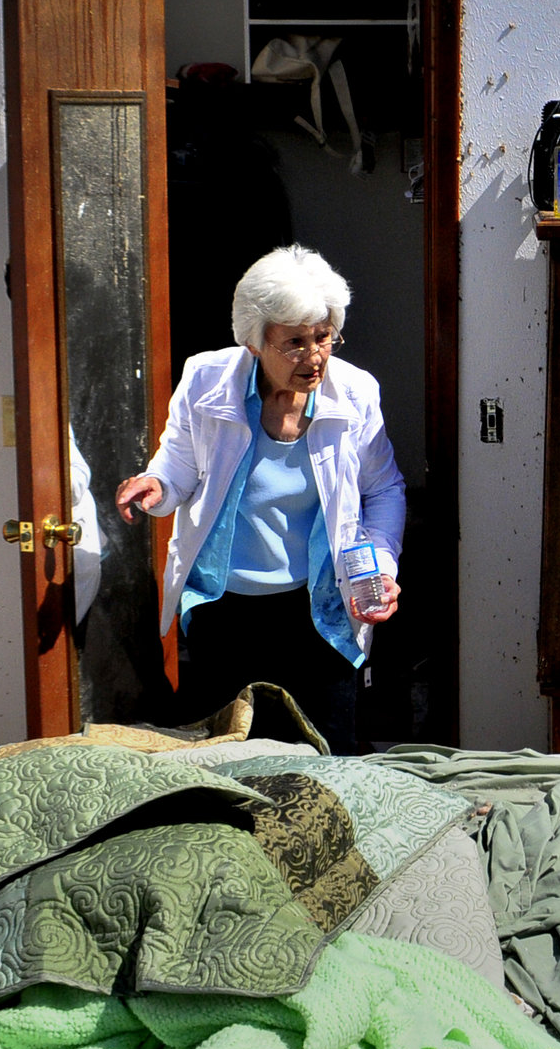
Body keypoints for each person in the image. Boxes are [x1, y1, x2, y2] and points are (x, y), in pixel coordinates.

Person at [115, 245, 403, 746]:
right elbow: (179, 462)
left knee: (326, 753)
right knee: (226, 755)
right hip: (225, 610)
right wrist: (156, 486)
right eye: (294, 343)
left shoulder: (355, 392)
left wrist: (380, 565)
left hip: (318, 609)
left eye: (324, 337)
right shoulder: (205, 378)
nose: (315, 357)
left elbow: (384, 489)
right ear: (254, 340)